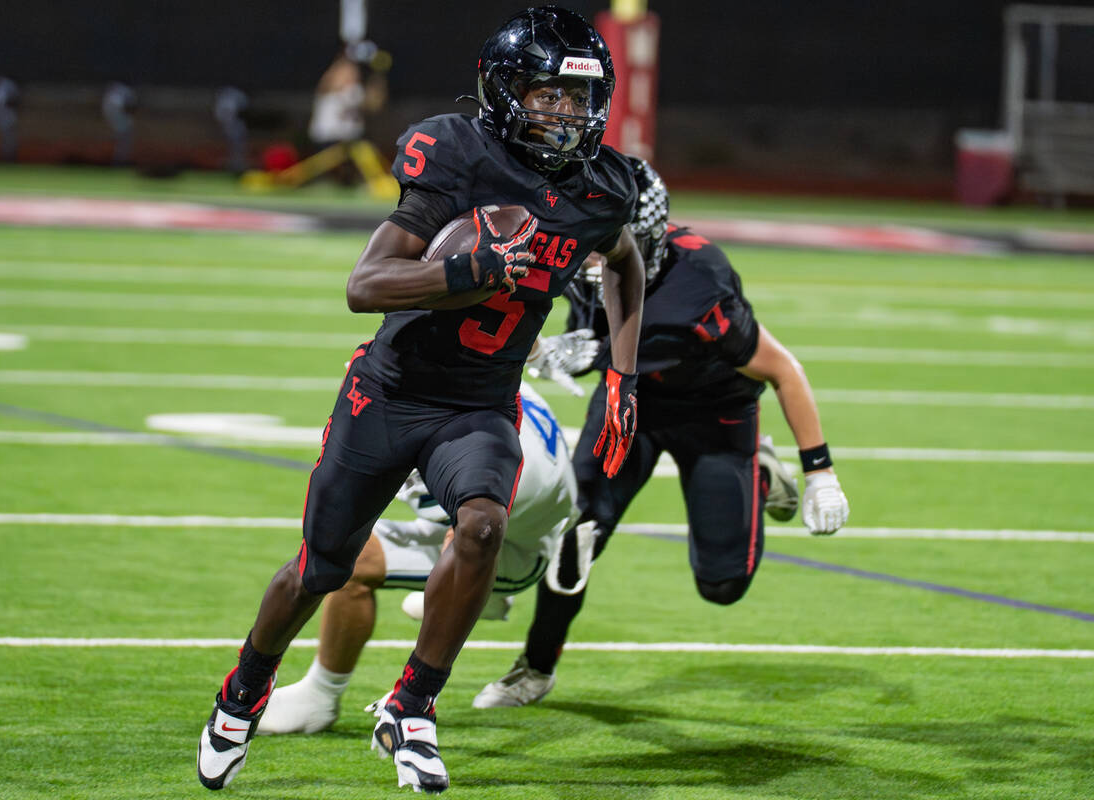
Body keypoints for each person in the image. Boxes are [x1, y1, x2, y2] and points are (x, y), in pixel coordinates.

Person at [196, 7, 645, 794]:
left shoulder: (601, 186)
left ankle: (412, 706)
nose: (566, 115)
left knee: (480, 526)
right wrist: (466, 275)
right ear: (506, 92)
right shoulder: (457, 153)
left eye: (579, 99)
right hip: (391, 394)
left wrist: (622, 377)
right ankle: (242, 695)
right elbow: (363, 286)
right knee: (319, 570)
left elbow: (625, 263)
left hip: (480, 405)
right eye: (547, 96)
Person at [473, 156, 851, 709]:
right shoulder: (578, 256)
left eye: (608, 243)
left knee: (722, 584)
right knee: (577, 534)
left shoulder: (699, 279)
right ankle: (536, 666)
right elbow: (532, 326)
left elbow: (782, 369)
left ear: (646, 237)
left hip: (713, 411)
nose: (595, 259)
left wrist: (820, 472)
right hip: (630, 406)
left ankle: (763, 472)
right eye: (592, 239)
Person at [254, 381, 584, 736]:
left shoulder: (489, 461)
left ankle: (419, 694)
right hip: (521, 503)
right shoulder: (482, 389)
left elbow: (462, 548)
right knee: (353, 557)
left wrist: (416, 688)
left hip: (517, 548)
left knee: (456, 562)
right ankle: (319, 696)